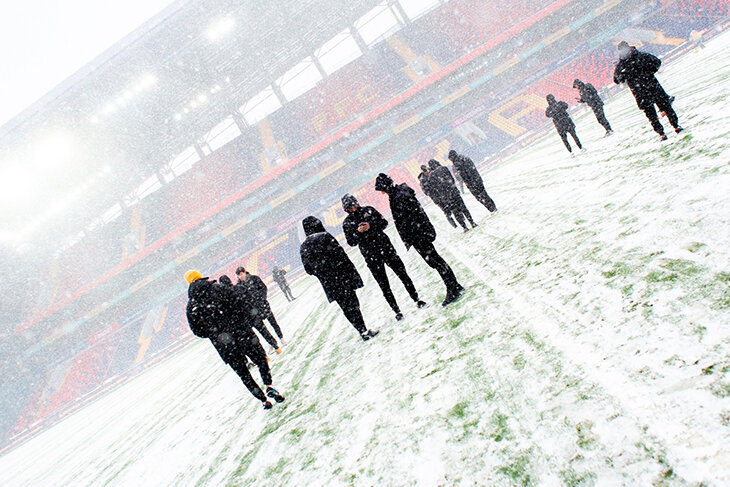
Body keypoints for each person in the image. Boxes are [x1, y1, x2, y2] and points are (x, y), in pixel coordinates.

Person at [184, 270, 285, 409]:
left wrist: (214, 333)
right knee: (261, 358)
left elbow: (197, 331)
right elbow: (240, 302)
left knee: (244, 374)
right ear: (201, 277)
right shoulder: (218, 289)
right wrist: (240, 320)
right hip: (242, 333)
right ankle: (268, 385)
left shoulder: (192, 306)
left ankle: (263, 400)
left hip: (224, 346)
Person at [374, 173, 464, 307]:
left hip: (418, 235)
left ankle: (452, 288)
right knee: (435, 260)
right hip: (419, 233)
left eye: (381, 189)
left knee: (435, 261)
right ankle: (454, 284)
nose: (381, 193)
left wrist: (414, 235)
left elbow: (411, 217)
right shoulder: (399, 193)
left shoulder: (399, 196)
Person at [341, 194, 427, 321]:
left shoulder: (368, 210)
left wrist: (370, 225)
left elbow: (384, 223)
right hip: (370, 255)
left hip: (386, 248)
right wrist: (357, 232)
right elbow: (351, 242)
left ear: (356, 203)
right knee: (384, 285)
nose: (352, 209)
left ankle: (416, 298)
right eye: (349, 207)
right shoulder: (347, 223)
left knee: (403, 274)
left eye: (353, 205)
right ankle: (396, 311)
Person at [299, 216, 379, 341]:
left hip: (330, 283)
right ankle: (363, 328)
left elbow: (308, 270)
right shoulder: (325, 236)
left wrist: (321, 272)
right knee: (353, 303)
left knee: (345, 308)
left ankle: (361, 330)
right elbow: (340, 254)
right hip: (342, 276)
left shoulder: (304, 246)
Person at [613, 41, 683, 141]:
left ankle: (662, 134)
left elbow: (617, 80)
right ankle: (676, 126)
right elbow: (657, 62)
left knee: (652, 116)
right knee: (666, 108)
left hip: (640, 93)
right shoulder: (641, 56)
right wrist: (650, 72)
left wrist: (624, 74)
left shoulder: (622, 65)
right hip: (653, 86)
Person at [236, 265, 285, 347]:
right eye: (238, 275)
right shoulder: (239, 286)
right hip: (253, 309)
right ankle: (271, 343)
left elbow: (263, 288)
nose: (240, 276)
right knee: (263, 328)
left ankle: (281, 337)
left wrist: (262, 298)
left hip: (263, 305)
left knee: (273, 322)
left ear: (244, 272)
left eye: (241, 274)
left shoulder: (254, 278)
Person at [427, 159, 477, 232]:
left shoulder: (431, 176)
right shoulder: (444, 168)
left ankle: (464, 227)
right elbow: (452, 179)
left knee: (455, 212)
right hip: (453, 192)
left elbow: (435, 189)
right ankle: (472, 222)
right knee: (463, 208)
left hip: (445, 197)